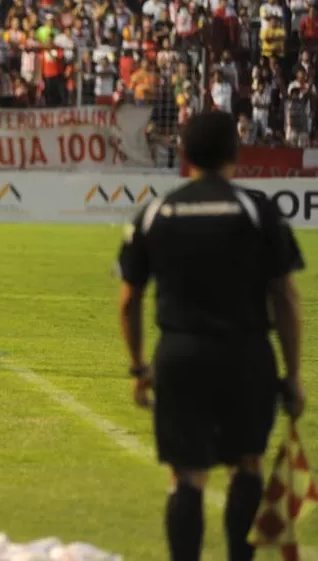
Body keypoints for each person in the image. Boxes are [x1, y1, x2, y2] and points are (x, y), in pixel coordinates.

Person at [116, 111, 307, 561]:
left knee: (187, 476)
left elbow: (128, 300)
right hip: (246, 355)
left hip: (179, 356)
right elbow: (286, 297)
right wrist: (293, 373)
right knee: (248, 464)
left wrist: (139, 367)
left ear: (183, 154)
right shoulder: (259, 212)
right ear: (235, 153)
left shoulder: (155, 213)